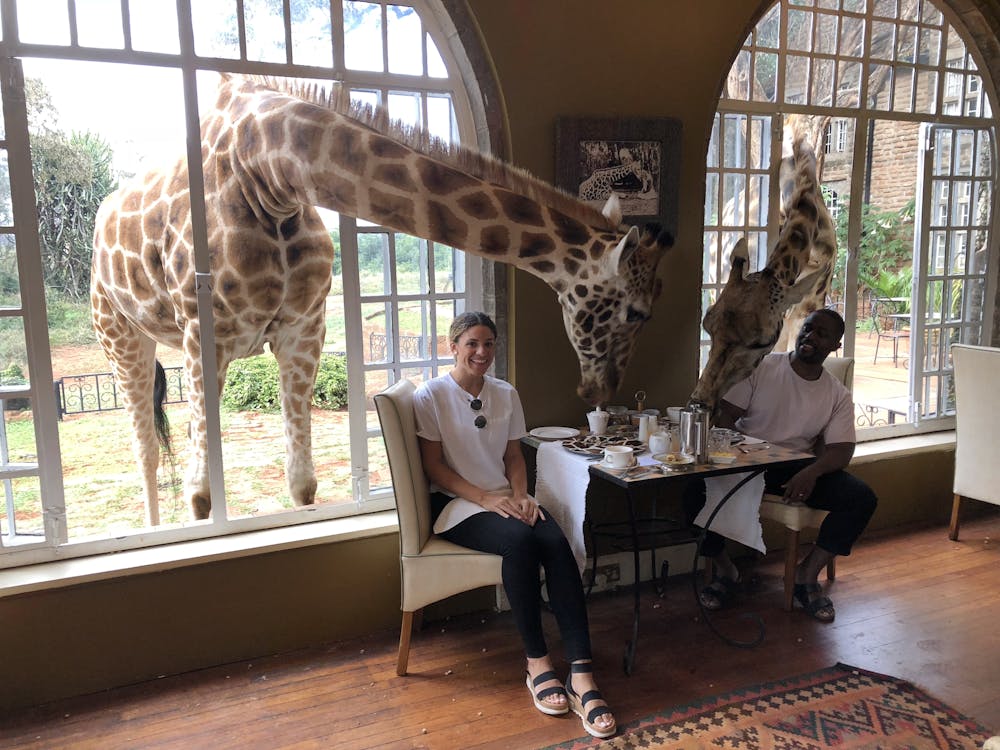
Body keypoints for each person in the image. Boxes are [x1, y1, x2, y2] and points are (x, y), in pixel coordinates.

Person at [412, 311, 616, 739]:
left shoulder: (505, 393)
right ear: (453, 346)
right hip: (458, 505)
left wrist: (521, 496)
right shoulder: (431, 396)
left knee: (556, 540)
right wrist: (487, 498)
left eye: (489, 343)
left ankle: (582, 674)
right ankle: (537, 662)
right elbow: (434, 469)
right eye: (472, 343)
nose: (482, 352)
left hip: (506, 499)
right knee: (521, 543)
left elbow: (513, 458)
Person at [684, 308, 878, 622]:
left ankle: (806, 574)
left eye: (822, 334)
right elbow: (725, 418)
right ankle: (726, 571)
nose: (811, 336)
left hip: (796, 470)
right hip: (746, 461)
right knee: (694, 490)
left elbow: (842, 450)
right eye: (809, 328)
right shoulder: (762, 367)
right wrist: (737, 454)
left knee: (861, 498)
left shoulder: (836, 395)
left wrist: (812, 472)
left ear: (834, 346)